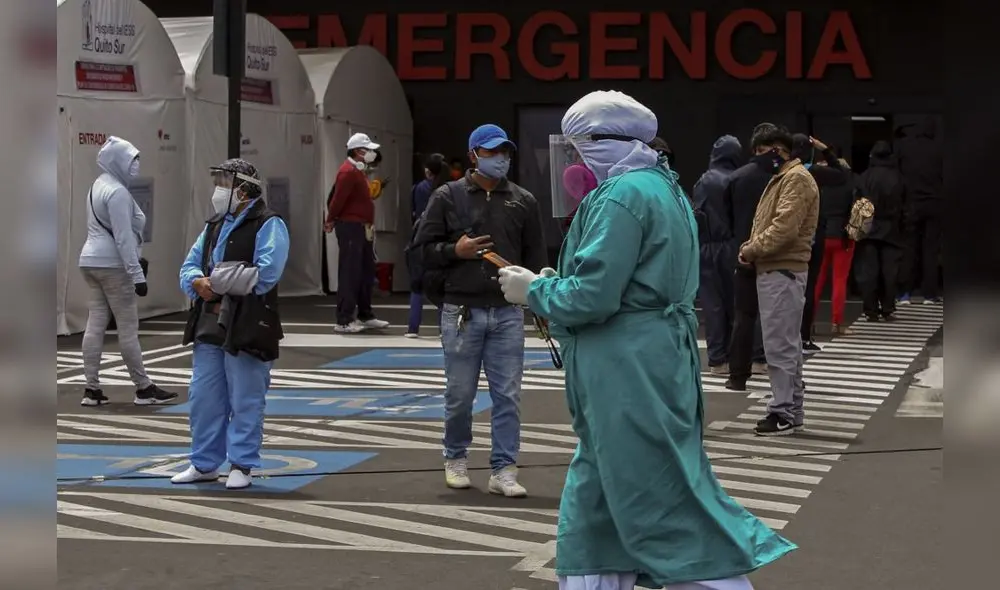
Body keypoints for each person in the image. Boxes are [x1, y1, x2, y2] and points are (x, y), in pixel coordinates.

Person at [496, 90, 794, 590]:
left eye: (578, 146)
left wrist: (536, 290)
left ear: (601, 142)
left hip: (624, 367)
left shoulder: (620, 195)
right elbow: (618, 276)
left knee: (653, 495)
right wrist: (555, 281)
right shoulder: (663, 187)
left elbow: (594, 296)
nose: (574, 159)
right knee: (603, 495)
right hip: (652, 358)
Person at [412, 123, 547, 497]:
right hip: (461, 310)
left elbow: (536, 258)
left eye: (504, 152)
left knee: (509, 394)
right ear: (473, 155)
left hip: (507, 312)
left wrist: (540, 300)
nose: (500, 158)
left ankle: (504, 468)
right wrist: (455, 251)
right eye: (491, 152)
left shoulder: (523, 201)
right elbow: (421, 251)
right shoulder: (447, 197)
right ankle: (455, 456)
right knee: (459, 394)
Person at [172, 158, 290, 490]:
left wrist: (215, 281)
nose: (218, 190)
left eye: (224, 182)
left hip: (250, 321)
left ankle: (242, 463)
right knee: (204, 396)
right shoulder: (213, 225)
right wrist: (197, 281)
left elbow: (265, 274)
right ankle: (204, 462)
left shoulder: (269, 224)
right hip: (210, 322)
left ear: (243, 188)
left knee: (246, 396)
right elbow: (188, 266)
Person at [77, 135, 177, 407]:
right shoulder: (118, 192)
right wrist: (137, 275)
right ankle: (143, 388)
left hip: (90, 261)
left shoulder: (97, 186)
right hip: (114, 265)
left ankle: (91, 389)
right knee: (128, 328)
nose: (136, 165)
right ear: (118, 161)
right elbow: (123, 237)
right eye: (132, 160)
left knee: (95, 323)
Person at [738, 125, 820, 436]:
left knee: (780, 345)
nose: (759, 159)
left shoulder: (795, 179)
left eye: (762, 152)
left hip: (781, 269)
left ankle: (782, 411)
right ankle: (792, 409)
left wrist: (750, 249)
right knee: (787, 343)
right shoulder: (786, 177)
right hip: (780, 268)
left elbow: (783, 228)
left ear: (778, 150)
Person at [720, 125, 777, 391]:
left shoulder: (736, 178)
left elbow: (727, 219)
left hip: (743, 252)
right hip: (776, 255)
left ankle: (737, 375)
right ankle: (776, 372)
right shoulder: (782, 178)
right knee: (779, 317)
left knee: (744, 316)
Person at [324, 133, 390, 333]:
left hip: (362, 227)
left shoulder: (357, 172)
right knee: (350, 272)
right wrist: (330, 219)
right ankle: (344, 319)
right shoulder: (348, 172)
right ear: (358, 151)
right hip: (351, 226)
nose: (371, 153)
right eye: (368, 149)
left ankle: (365, 313)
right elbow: (337, 199)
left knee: (365, 271)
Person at [793, 135, 852, 340]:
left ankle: (808, 325)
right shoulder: (826, 175)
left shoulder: (795, 172)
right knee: (839, 279)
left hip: (810, 234)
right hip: (840, 234)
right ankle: (837, 322)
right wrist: (825, 149)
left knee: (813, 282)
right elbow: (841, 174)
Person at [692, 135, 742, 374]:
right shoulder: (738, 178)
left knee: (712, 305)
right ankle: (735, 355)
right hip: (733, 246)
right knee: (735, 303)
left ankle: (716, 358)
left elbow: (697, 214)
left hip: (707, 246)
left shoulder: (704, 180)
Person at [855, 140, 905, 321]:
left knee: (869, 272)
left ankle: (870, 309)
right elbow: (905, 204)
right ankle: (888, 307)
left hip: (868, 228)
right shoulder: (898, 177)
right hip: (892, 228)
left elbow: (857, 203)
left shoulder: (864, 177)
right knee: (889, 271)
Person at [896, 116, 943, 304]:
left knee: (909, 247)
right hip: (935, 203)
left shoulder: (905, 146)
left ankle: (905, 293)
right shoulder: (940, 148)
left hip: (911, 203)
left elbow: (898, 173)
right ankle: (929, 294)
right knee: (930, 250)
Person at [405, 153, 450, 337]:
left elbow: (413, 213)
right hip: (440, 239)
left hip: (419, 238)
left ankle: (412, 328)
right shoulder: (448, 190)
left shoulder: (418, 189)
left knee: (416, 285)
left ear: (427, 171)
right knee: (441, 286)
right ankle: (443, 328)